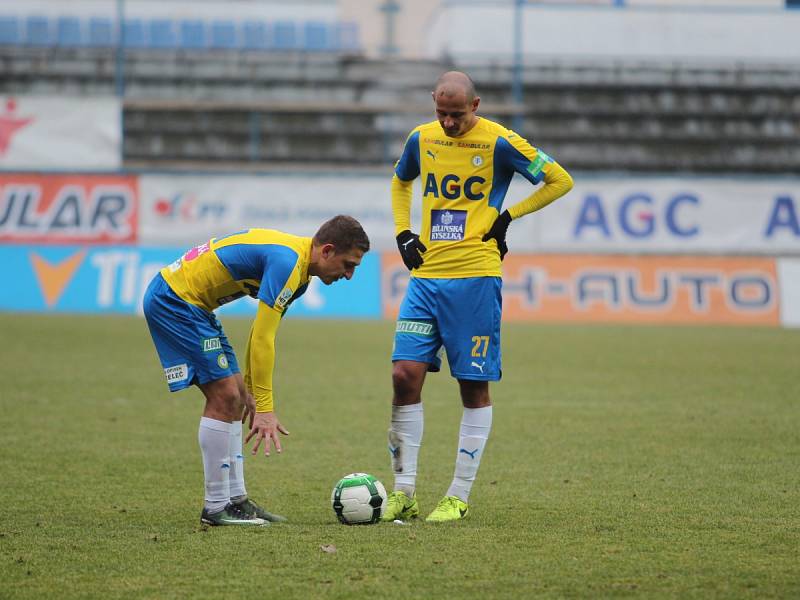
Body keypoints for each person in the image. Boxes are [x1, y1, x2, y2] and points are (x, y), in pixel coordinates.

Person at [383, 71, 574, 523]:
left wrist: (508, 216)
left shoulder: (500, 142)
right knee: (403, 376)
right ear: (433, 104)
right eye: (441, 113)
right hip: (426, 277)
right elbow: (399, 181)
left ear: (476, 105)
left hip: (475, 277)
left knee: (472, 386)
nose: (448, 123)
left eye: (456, 114)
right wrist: (403, 231)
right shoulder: (420, 138)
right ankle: (403, 490)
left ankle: (458, 495)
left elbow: (559, 179)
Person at [143, 216, 370, 527]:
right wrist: (265, 408)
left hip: (195, 306)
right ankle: (215, 507)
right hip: (175, 301)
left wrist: (251, 388)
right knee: (224, 396)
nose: (349, 274)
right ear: (327, 251)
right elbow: (264, 337)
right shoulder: (288, 262)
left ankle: (237, 501)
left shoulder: (300, 274)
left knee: (236, 395)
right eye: (349, 264)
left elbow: (257, 335)